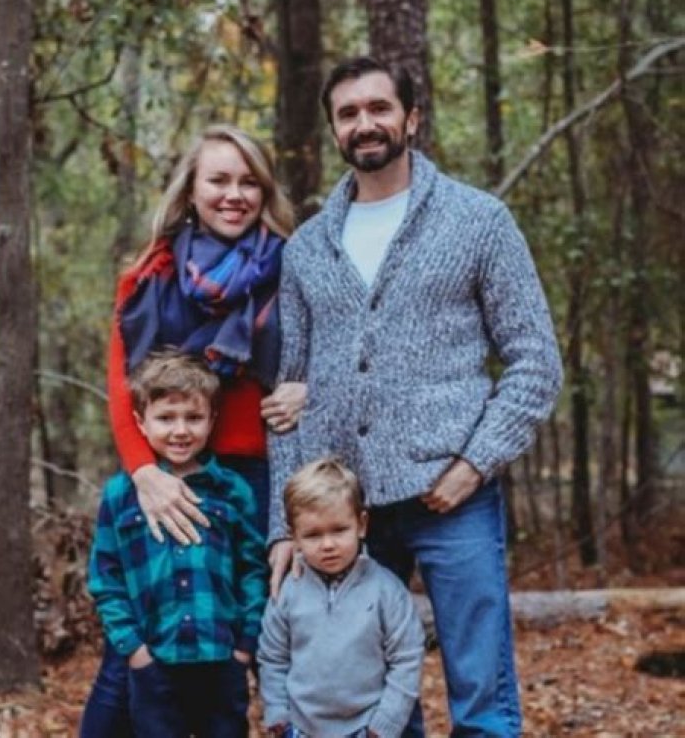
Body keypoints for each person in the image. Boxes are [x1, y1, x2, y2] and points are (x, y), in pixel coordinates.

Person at [267, 57, 564, 737]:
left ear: (411, 119)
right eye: (348, 113)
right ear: (334, 130)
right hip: (345, 512)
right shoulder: (307, 248)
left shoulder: (478, 221)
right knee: (367, 695)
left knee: (481, 691)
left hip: (451, 497)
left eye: (379, 107)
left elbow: (536, 361)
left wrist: (474, 463)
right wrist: (285, 527)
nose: (365, 123)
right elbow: (287, 397)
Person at [80, 124, 305, 737]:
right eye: (218, 180)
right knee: (135, 655)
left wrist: (308, 390)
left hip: (261, 477)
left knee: (253, 644)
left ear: (265, 192)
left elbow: (332, 358)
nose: (234, 194)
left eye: (248, 182)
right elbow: (122, 386)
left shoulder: (295, 267)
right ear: (191, 189)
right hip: (171, 474)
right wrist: (145, 474)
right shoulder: (149, 276)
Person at [87, 350, 267, 737]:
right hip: (154, 661)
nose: (180, 430)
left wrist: (244, 647)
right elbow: (105, 578)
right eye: (166, 418)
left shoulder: (232, 491)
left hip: (220, 660)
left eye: (193, 417)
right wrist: (134, 650)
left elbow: (253, 570)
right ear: (141, 421)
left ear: (212, 419)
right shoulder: (121, 494)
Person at [258, 457, 425, 738]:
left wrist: (385, 724)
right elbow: (273, 657)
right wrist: (277, 714)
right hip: (302, 728)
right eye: (313, 535)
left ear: (361, 524)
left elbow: (406, 659)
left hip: (368, 727)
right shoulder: (288, 592)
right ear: (294, 536)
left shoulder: (386, 590)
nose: (328, 545)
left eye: (339, 530)